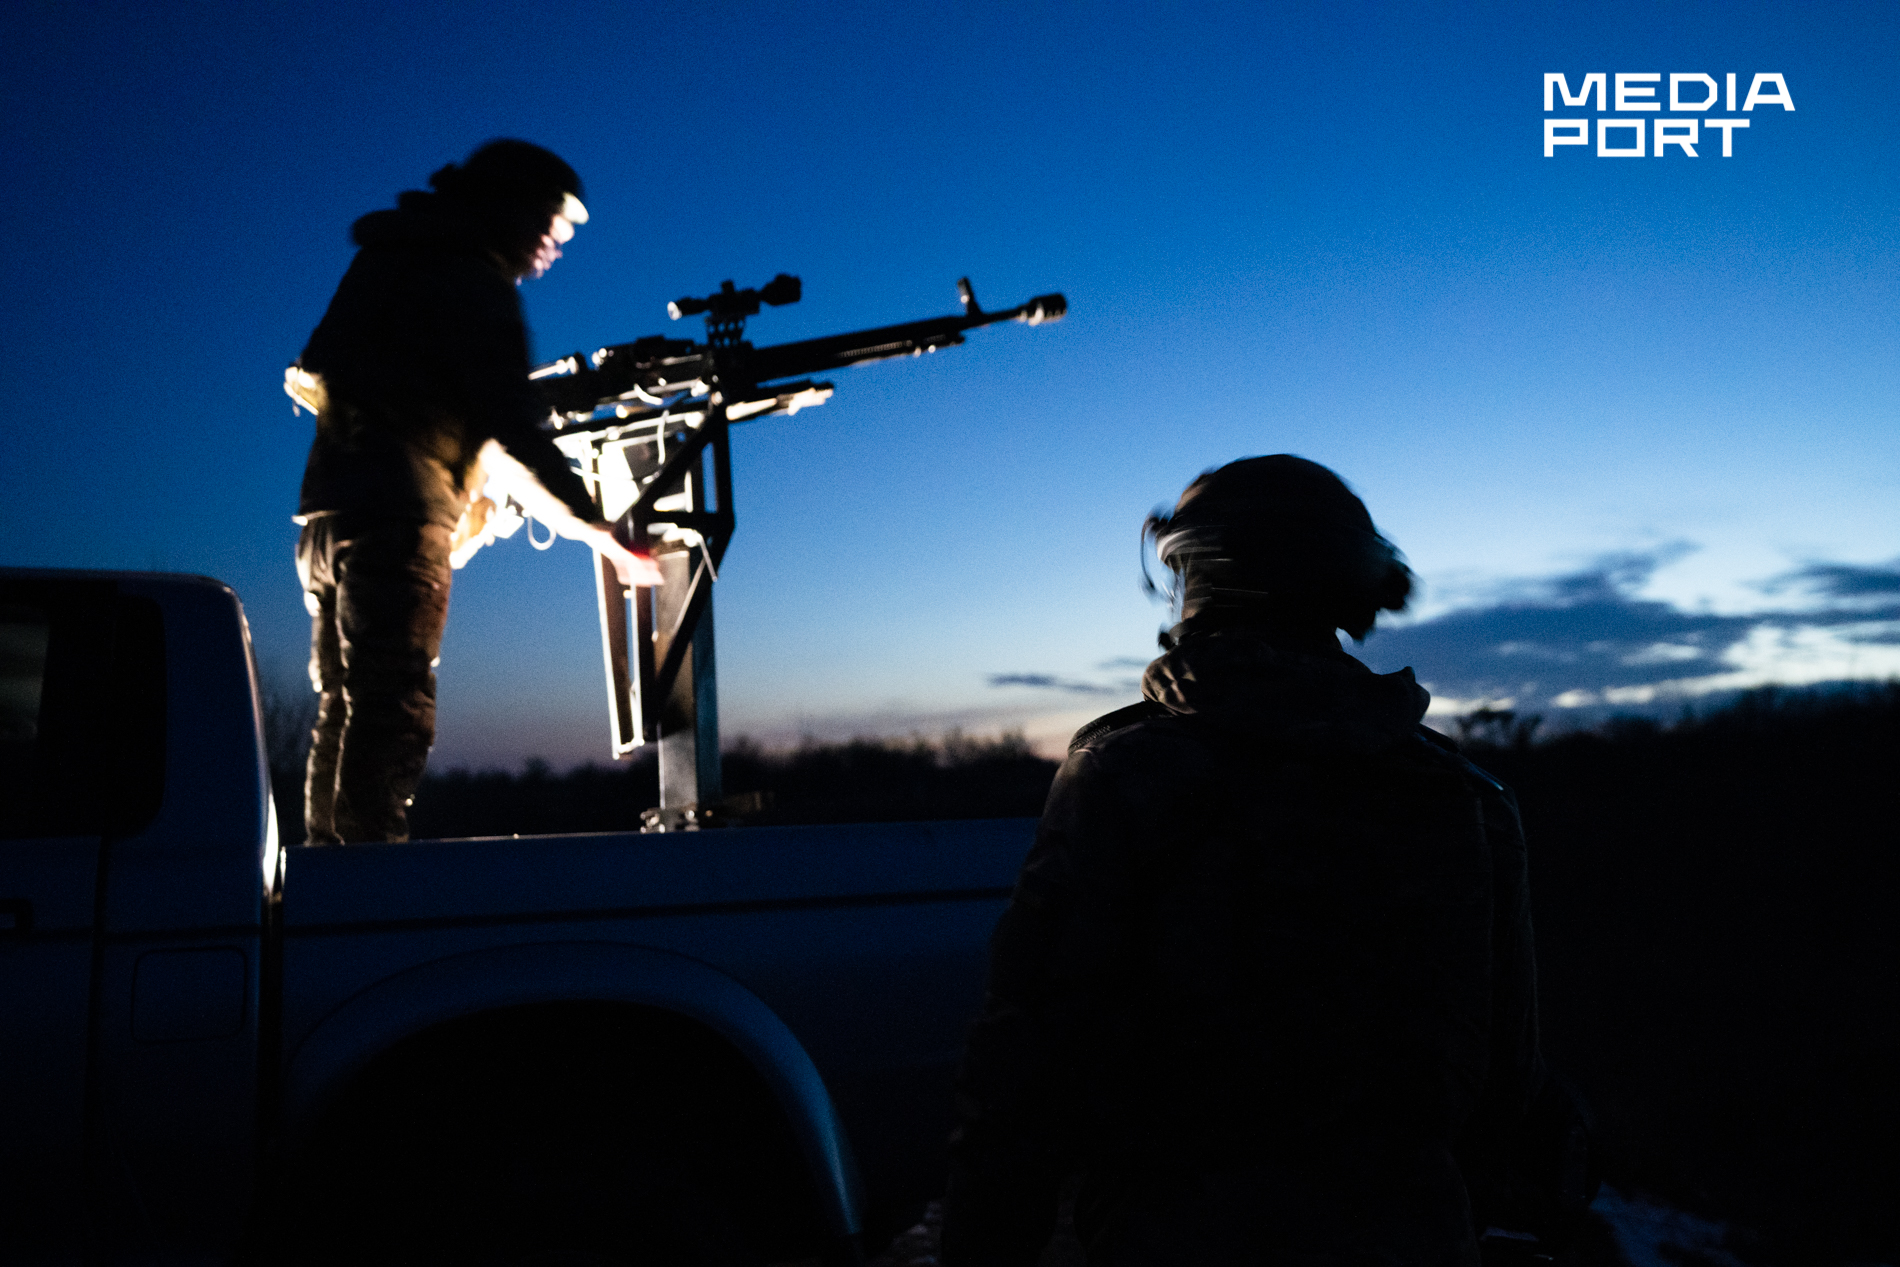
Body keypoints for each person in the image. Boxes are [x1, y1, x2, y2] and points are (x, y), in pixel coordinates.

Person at [942, 456, 1568, 1266]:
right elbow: (1507, 1084)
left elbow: (1019, 1078)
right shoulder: (1468, 795)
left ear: (1202, 574)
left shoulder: (1123, 775)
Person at [290, 139, 659, 845]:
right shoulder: (473, 285)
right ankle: (366, 891)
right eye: (549, 225)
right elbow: (508, 428)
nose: (553, 246)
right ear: (508, 209)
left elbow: (325, 367)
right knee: (392, 708)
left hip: (325, 518)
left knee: (343, 705)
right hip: (395, 522)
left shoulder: (387, 258)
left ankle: (322, 879)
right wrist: (595, 529)